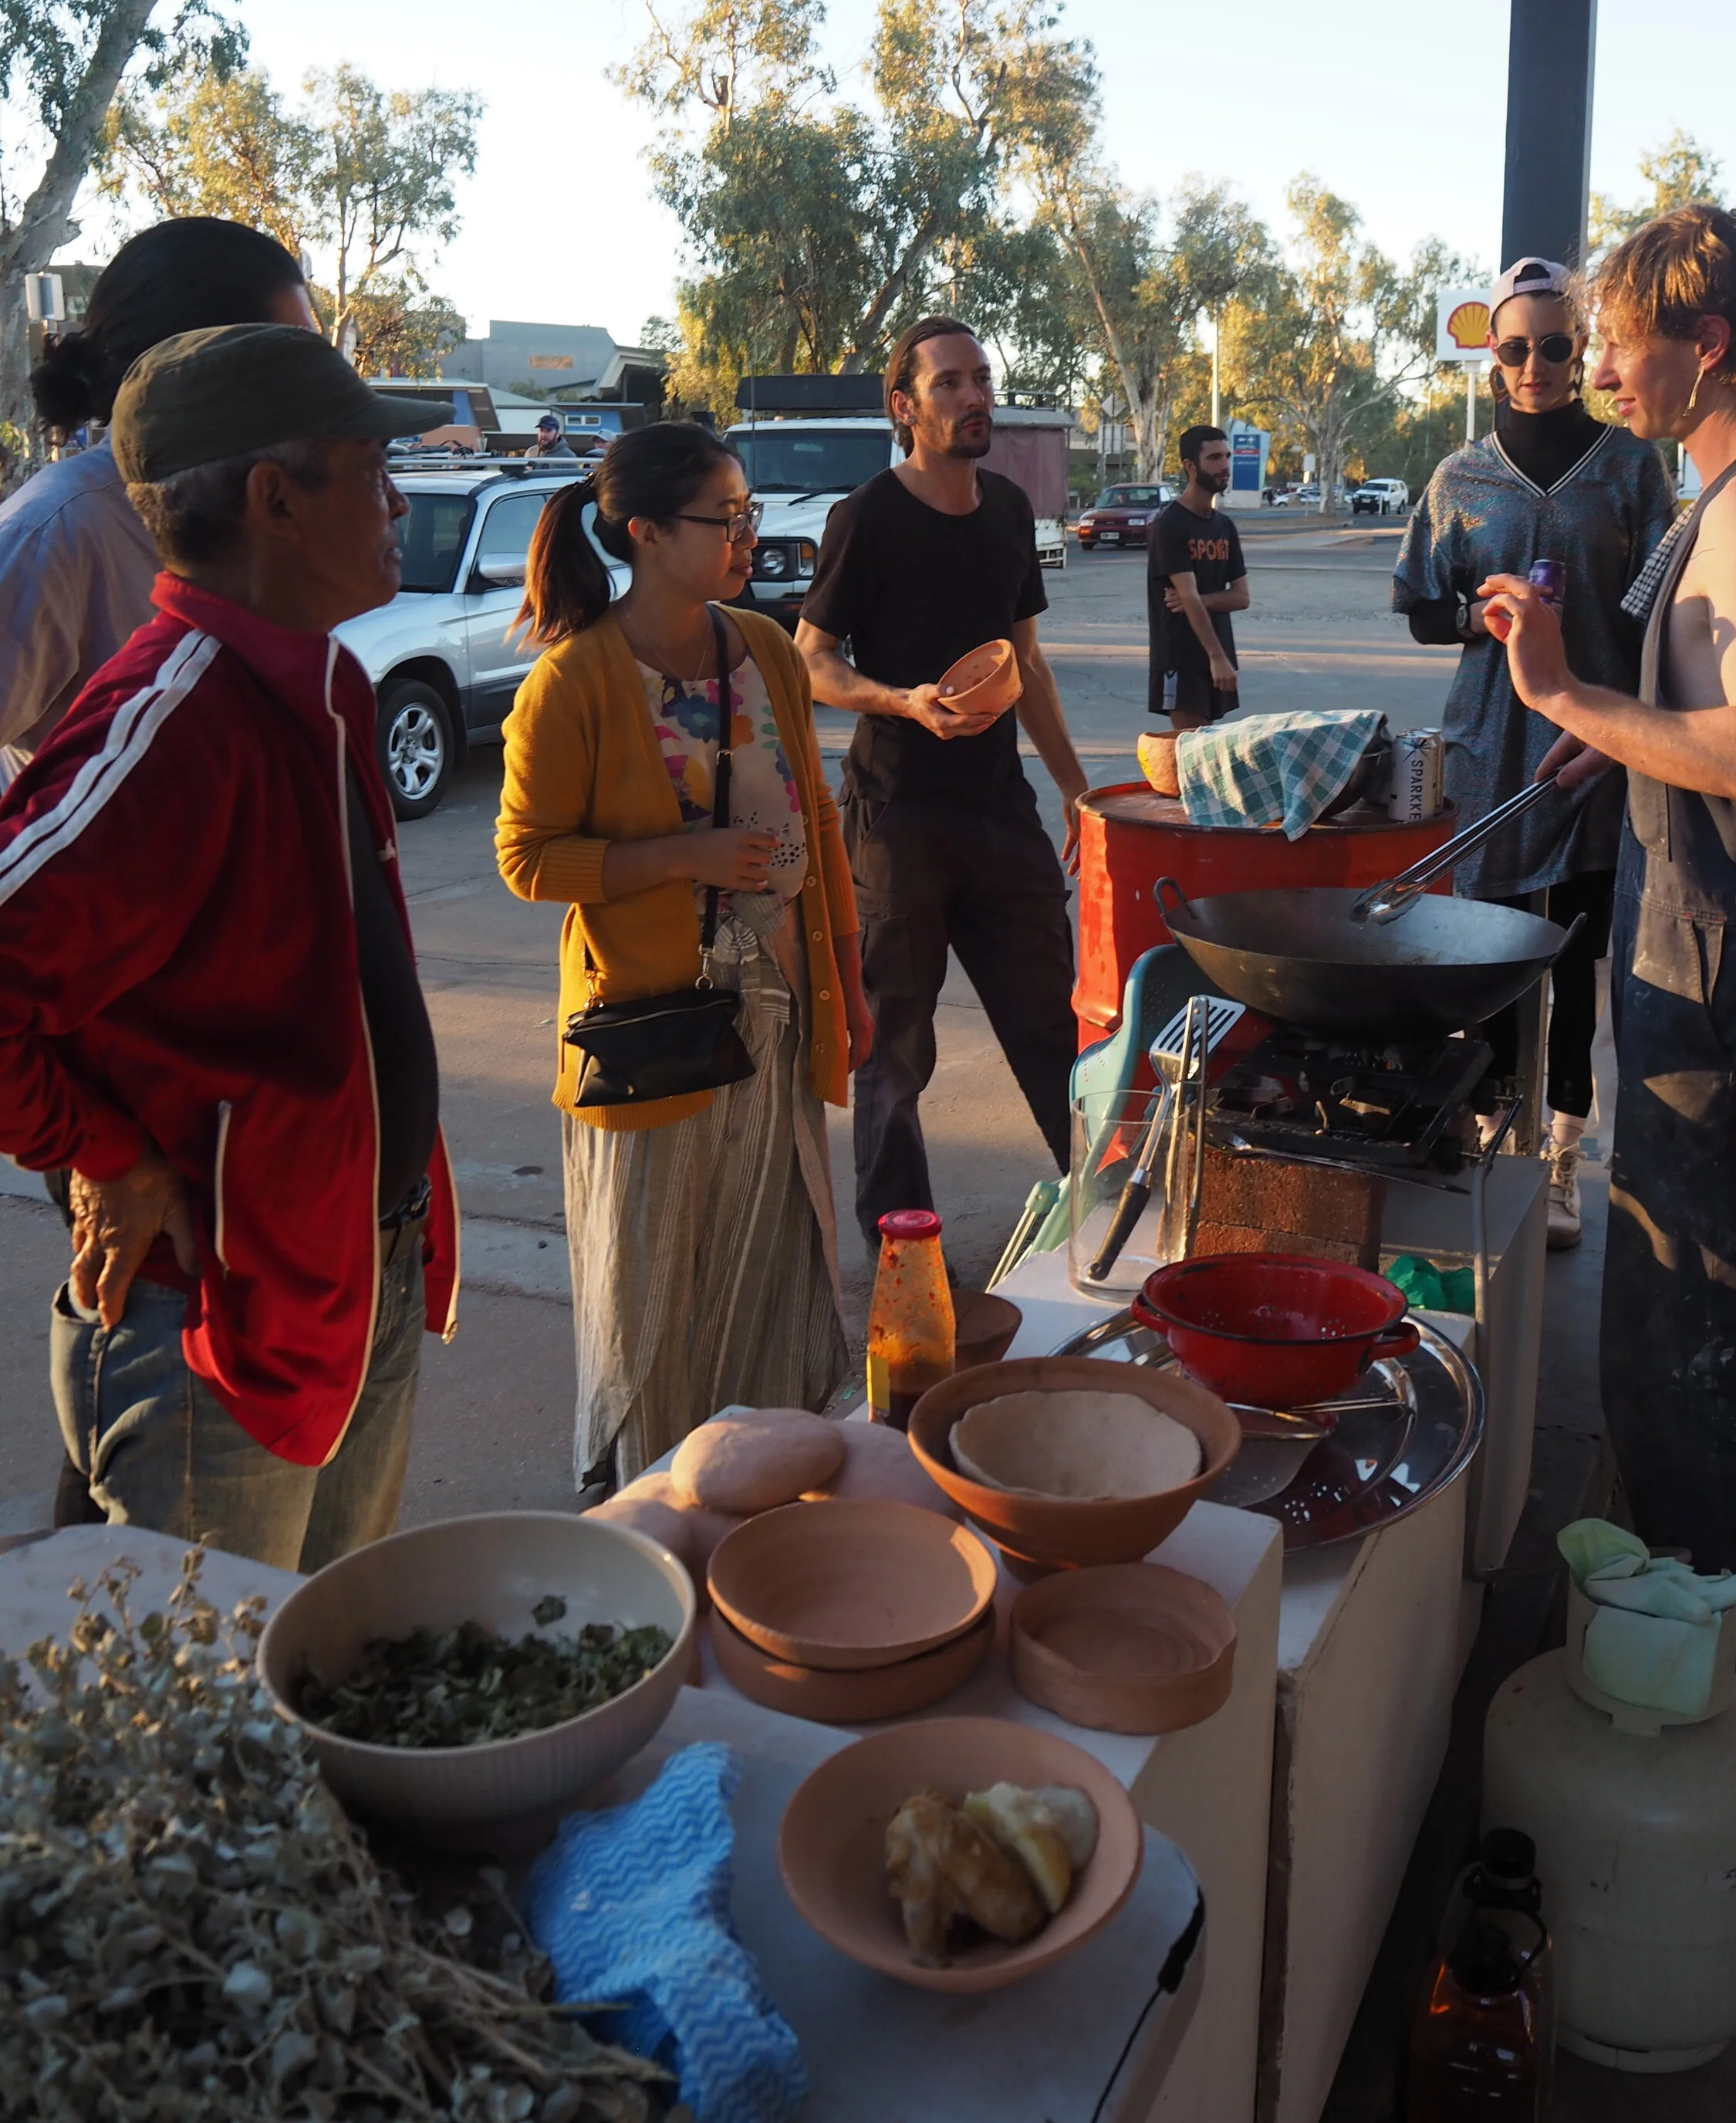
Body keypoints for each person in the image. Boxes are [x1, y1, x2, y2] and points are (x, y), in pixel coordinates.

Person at [1481, 203, 1736, 1737]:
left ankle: (1728, 1669)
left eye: (1611, 335)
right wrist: (1615, 748)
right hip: (1733, 965)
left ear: (1702, 342)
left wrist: (1569, 693)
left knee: (1706, 1338)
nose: (1588, 360)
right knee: (1710, 1329)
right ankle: (1731, 1613)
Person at [0, 323, 456, 1567]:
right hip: (217, 1338)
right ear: (275, 499)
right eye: (371, 470)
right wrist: (102, 1150)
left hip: (348, 1280)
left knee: (323, 1692)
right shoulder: (176, 718)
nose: (396, 501)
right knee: (202, 1742)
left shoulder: (326, 686)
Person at [495, 424, 868, 1487]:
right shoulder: (572, 681)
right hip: (651, 1035)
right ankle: (647, 1513)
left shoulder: (761, 646)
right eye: (725, 518)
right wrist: (682, 855)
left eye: (749, 513)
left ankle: (756, 1492)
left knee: (771, 1266)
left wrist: (847, 970)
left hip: (777, 1014)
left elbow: (822, 826)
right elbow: (527, 860)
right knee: (650, 1290)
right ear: (646, 532)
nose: (748, 535)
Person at [1394, 259, 1675, 1243]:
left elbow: (1661, 613)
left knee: (1577, 950)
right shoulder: (1457, 477)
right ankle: (1490, 1133)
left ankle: (1559, 1144)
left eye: (1555, 345)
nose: (1533, 365)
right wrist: (1482, 611)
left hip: (1594, 736)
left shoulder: (1632, 467)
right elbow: (1421, 606)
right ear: (1491, 353)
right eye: (1513, 347)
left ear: (1579, 352)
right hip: (1490, 740)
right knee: (1490, 948)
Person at [795, 316, 1087, 1256]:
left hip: (999, 814)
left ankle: (1107, 1211)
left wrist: (1081, 794)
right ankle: (901, 1257)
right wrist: (902, 701)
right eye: (951, 383)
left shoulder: (1006, 511)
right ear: (905, 408)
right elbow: (811, 663)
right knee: (893, 1057)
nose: (974, 398)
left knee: (1056, 1024)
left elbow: (1027, 665)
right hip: (896, 820)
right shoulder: (867, 517)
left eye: (981, 380)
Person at [0, 216, 317, 787]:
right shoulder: (60, 530)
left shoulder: (266, 515)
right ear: (187, 373)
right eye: (288, 361)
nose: (318, 387)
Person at [1147, 425, 1250, 730]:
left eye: (1227, 456)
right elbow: (1186, 595)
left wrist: (1202, 600)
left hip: (1217, 656)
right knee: (1190, 757)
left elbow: (1241, 597)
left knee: (1208, 758)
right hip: (1181, 659)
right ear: (1190, 466)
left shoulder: (1224, 526)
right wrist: (1216, 657)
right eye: (1215, 457)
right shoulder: (1170, 524)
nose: (1225, 466)